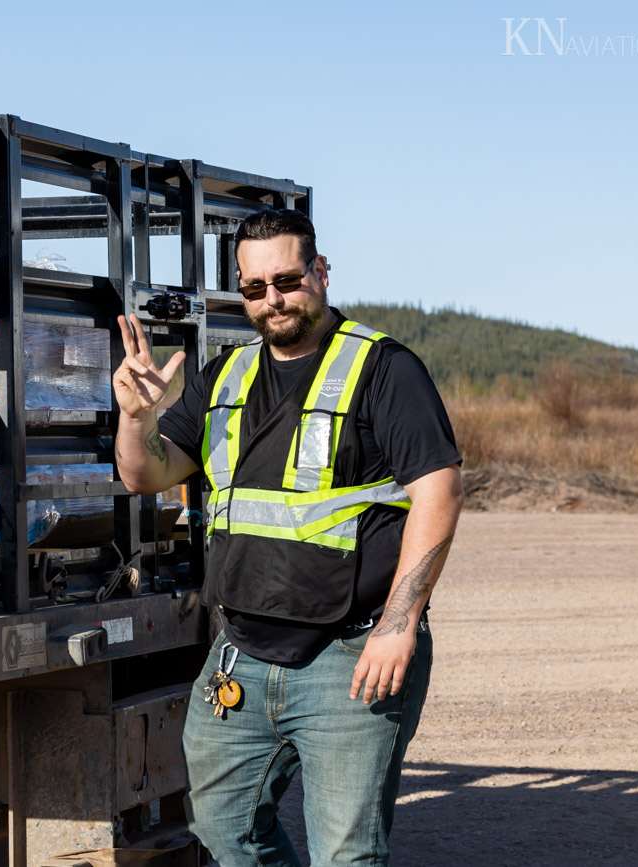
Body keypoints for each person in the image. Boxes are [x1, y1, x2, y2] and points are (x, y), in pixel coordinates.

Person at [112, 209, 463, 866]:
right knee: (222, 828)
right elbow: (144, 472)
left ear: (319, 271)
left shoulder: (384, 370)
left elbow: (439, 493)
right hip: (240, 653)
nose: (272, 299)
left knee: (346, 855)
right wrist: (137, 416)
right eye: (254, 288)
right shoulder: (225, 377)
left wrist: (399, 623)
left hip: (351, 656)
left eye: (287, 279)